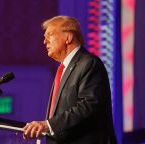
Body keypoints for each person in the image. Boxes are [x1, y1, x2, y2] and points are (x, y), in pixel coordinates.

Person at [23, 16, 117, 144]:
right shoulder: (64, 68)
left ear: (68, 37)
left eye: (50, 35)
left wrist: (48, 125)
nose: (45, 41)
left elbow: (89, 105)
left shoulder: (89, 63)